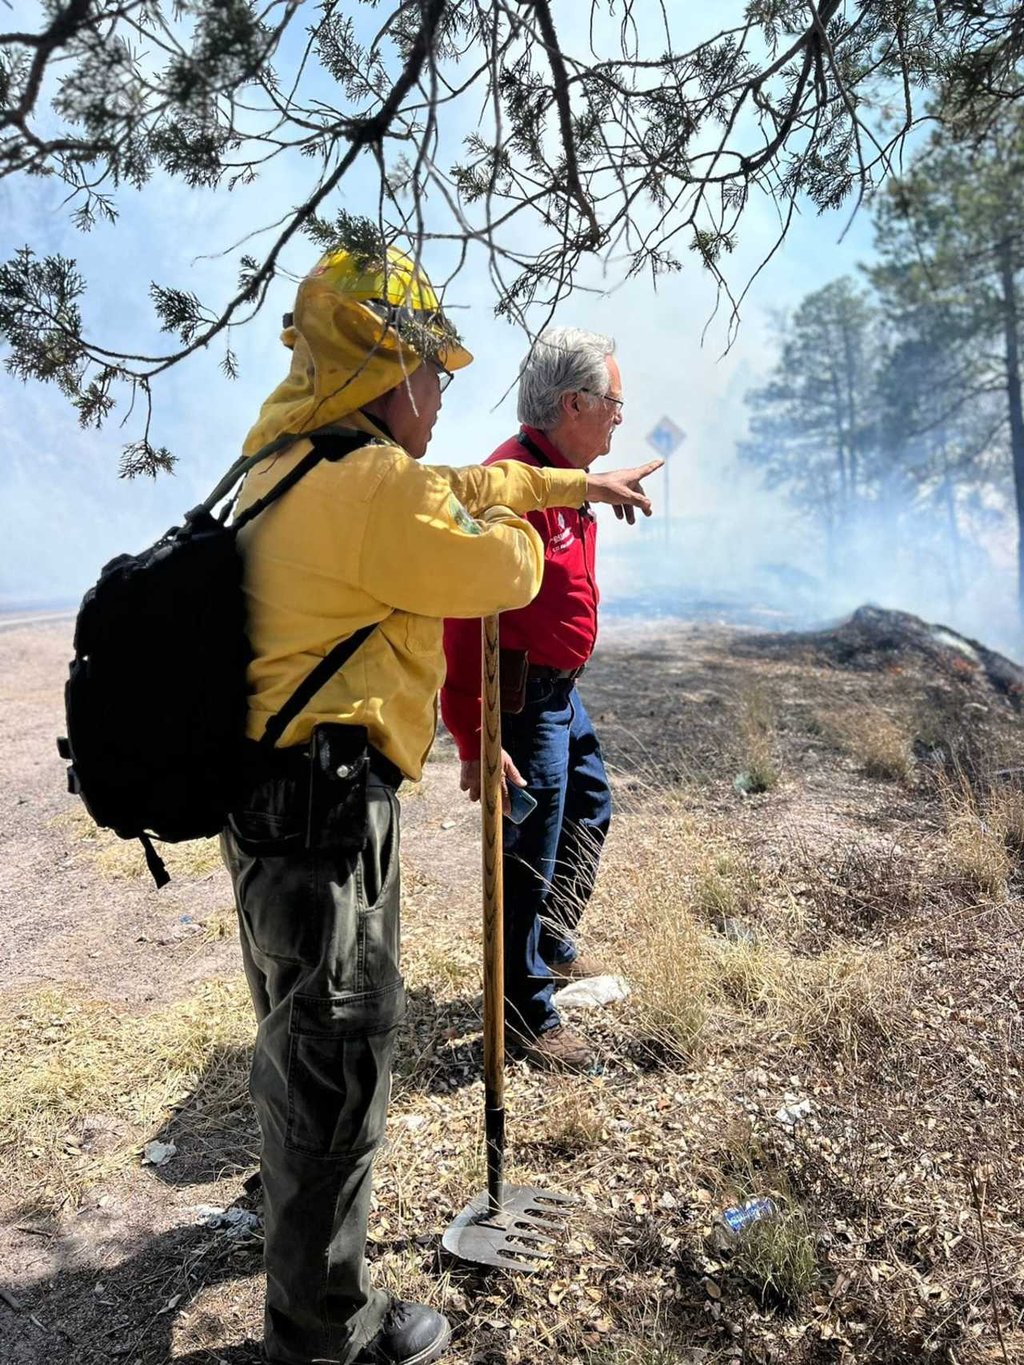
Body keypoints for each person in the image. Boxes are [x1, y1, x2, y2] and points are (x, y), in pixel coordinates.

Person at [219, 249, 661, 1365]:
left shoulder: (284, 461)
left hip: (266, 802)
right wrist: (536, 531)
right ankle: (326, 1333)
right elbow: (501, 568)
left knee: (298, 1041)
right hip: (323, 812)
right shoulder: (379, 491)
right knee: (339, 1057)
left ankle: (305, 1275)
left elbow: (472, 485)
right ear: (387, 370)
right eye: (432, 372)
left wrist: (565, 486)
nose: (445, 395)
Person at [441, 326, 643, 1074]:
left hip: (560, 696)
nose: (620, 418)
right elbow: (462, 616)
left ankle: (549, 948)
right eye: (613, 404)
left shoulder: (565, 473)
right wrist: (473, 731)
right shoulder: (509, 482)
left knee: (590, 809)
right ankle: (526, 1011)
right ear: (573, 402)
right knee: (526, 855)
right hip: (519, 704)